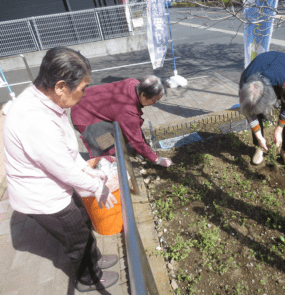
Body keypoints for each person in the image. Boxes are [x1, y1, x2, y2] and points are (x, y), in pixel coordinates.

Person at [3, 47, 120, 292]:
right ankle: (88, 278)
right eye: (82, 88)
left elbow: (66, 152)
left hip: (53, 187)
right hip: (44, 198)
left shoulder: (44, 101)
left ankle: (95, 258)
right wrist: (98, 186)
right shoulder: (35, 120)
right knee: (77, 239)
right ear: (60, 86)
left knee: (82, 223)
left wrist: (89, 172)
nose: (84, 93)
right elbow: (63, 170)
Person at [70, 75, 173, 167]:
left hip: (88, 100)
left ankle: (124, 155)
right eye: (154, 100)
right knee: (106, 145)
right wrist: (157, 159)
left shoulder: (133, 83)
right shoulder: (127, 111)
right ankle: (104, 167)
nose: (154, 104)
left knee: (119, 133)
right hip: (83, 116)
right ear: (143, 96)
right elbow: (137, 140)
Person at [239, 51, 285, 170]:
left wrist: (278, 130)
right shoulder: (245, 82)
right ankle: (260, 147)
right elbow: (249, 112)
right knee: (255, 111)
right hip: (264, 68)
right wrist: (259, 137)